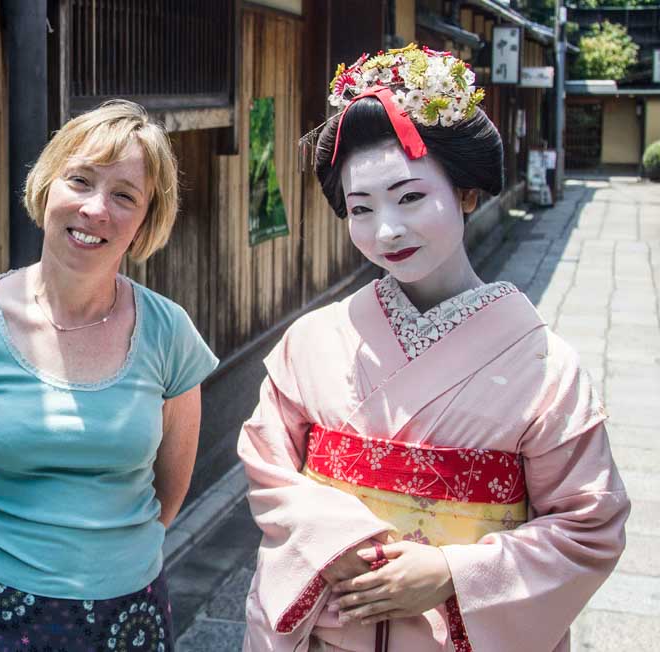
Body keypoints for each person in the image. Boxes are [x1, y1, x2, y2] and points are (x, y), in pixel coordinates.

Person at [237, 44, 629, 652]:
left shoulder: (548, 369)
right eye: (361, 209)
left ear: (467, 194)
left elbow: (588, 526)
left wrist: (454, 575)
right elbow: (268, 469)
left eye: (411, 197)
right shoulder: (310, 343)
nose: (387, 230)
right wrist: (329, 544)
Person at [0, 100, 218, 651]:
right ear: (47, 186)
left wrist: (108, 567)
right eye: (80, 181)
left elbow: (168, 496)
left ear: (146, 219)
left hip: (129, 614)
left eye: (124, 195)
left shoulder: (169, 332)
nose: (96, 209)